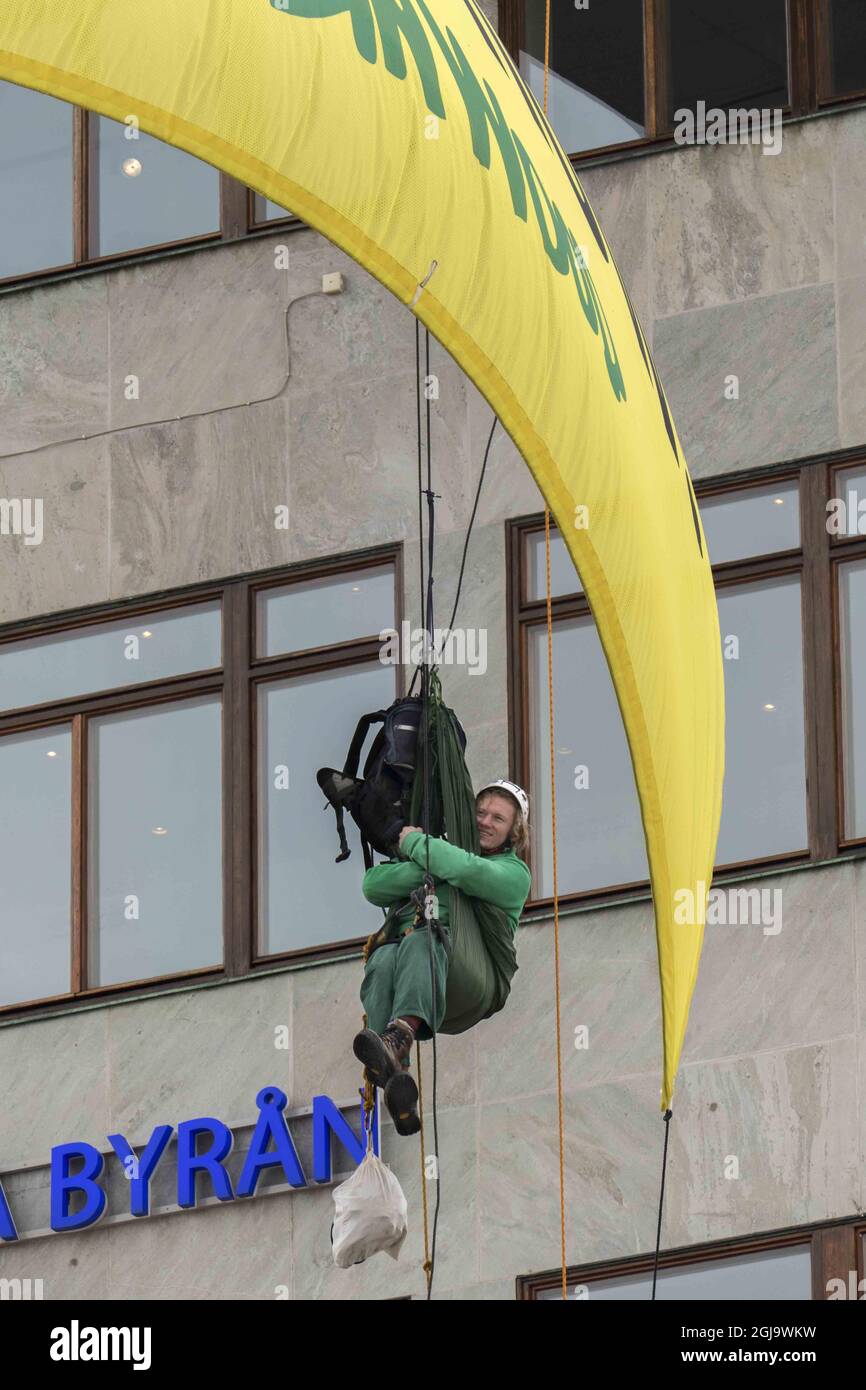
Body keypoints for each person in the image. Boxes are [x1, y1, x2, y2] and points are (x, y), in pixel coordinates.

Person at [352, 780, 532, 1135]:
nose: (485, 821)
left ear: (514, 832)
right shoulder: (444, 854)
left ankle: (401, 1034)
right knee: (384, 958)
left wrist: (418, 845)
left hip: (472, 978)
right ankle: (392, 1068)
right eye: (480, 812)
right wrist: (436, 861)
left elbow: (468, 871)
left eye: (498, 818)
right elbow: (373, 886)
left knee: (422, 939)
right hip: (422, 977)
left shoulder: (515, 875)